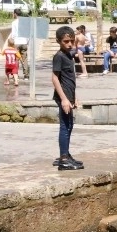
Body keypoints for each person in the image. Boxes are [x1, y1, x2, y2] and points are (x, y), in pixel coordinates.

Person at [50, 26, 83, 171]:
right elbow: (55, 78)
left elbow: (70, 78)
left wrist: (74, 97)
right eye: (66, 41)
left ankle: (66, 154)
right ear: (58, 41)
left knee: (69, 125)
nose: (69, 44)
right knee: (64, 126)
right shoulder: (59, 56)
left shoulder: (69, 55)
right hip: (63, 96)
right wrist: (64, 99)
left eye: (71, 41)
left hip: (69, 96)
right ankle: (63, 159)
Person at [9, 9, 29, 80]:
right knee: (24, 59)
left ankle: (15, 74)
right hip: (24, 42)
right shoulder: (25, 22)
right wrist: (27, 41)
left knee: (16, 59)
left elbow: (13, 34)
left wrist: (12, 42)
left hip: (17, 42)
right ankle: (26, 75)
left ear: (15, 14)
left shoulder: (14, 22)